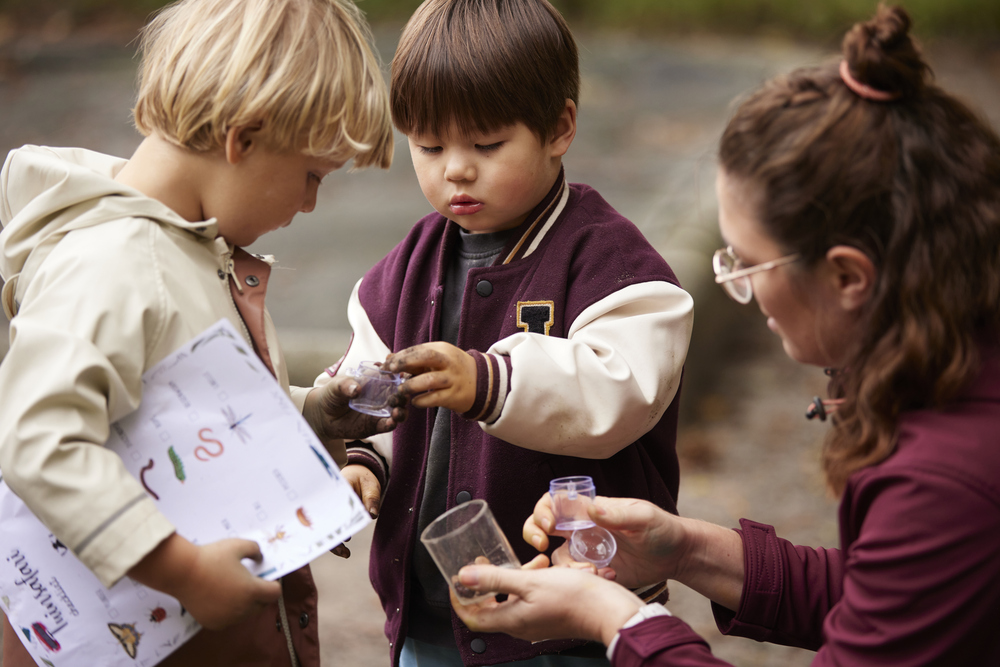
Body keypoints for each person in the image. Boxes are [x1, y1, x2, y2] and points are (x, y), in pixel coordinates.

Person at [446, 5, 1000, 666]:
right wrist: (682, 547)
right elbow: (875, 594)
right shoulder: (960, 375)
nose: (741, 284)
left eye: (746, 263)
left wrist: (618, 620)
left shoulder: (943, 481)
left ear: (848, 275)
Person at [0, 0, 402, 665]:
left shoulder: (192, 250)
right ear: (240, 139)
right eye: (311, 176)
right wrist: (180, 569)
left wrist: (315, 415)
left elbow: (183, 414)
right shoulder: (114, 261)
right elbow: (36, 435)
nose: (309, 204)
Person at [313, 0, 694, 664]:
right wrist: (360, 460)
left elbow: (619, 390)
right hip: (433, 616)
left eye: (486, 144)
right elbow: (369, 388)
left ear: (559, 127)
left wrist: (488, 380)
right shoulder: (400, 274)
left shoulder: (614, 267)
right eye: (429, 146)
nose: (455, 168)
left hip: (572, 614)